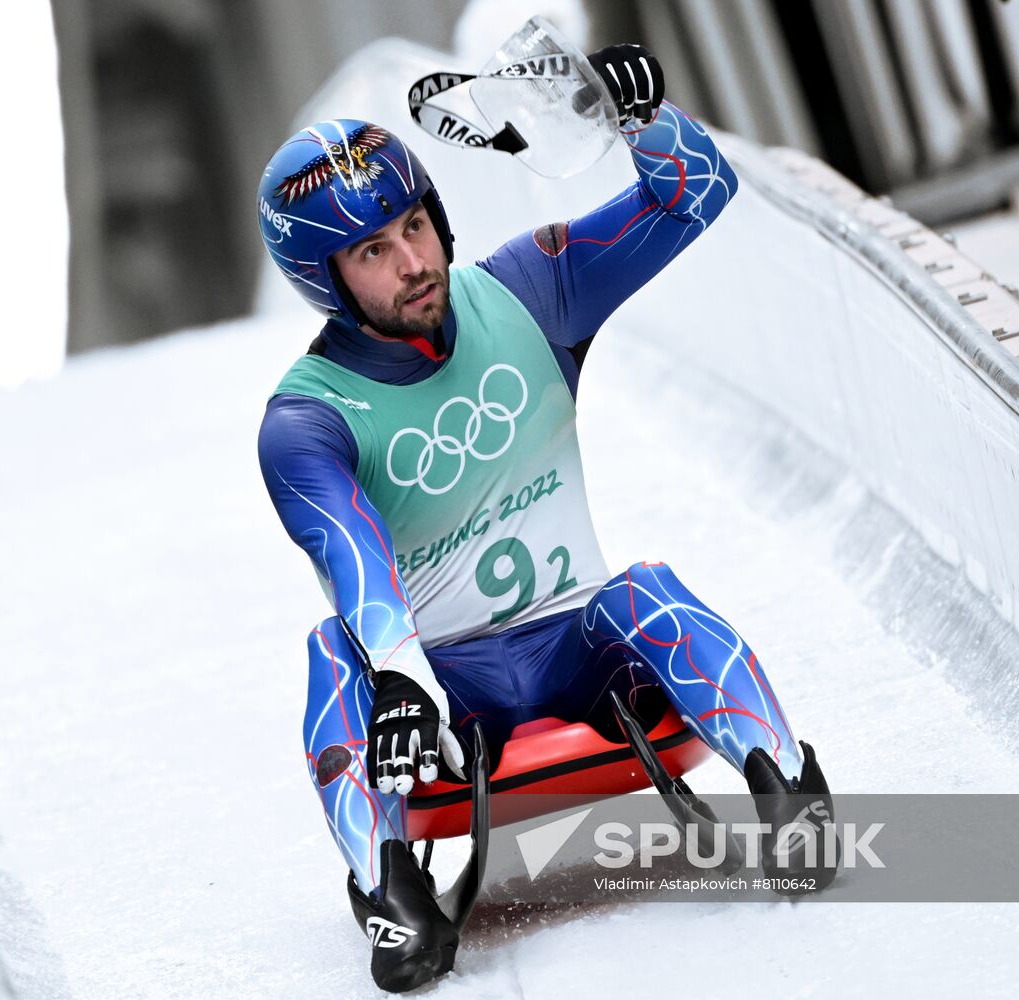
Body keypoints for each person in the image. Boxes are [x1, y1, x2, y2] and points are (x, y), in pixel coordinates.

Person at [257, 43, 833, 993]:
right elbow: (349, 556)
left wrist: (642, 118)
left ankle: (789, 790)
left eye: (414, 227)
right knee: (332, 651)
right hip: (443, 694)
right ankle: (390, 893)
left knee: (649, 590)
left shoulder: (533, 289)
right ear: (328, 279)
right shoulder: (305, 419)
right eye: (373, 250)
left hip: (583, 642)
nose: (412, 263)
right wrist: (401, 683)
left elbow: (697, 191)